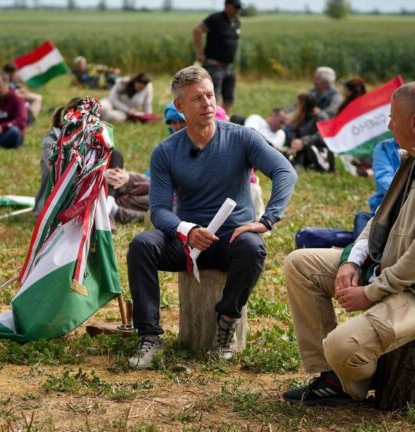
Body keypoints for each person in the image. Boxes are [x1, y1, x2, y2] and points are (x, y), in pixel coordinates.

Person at [282, 81, 415, 406]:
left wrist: (371, 292)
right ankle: (333, 379)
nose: (389, 125)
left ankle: (352, 380)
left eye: (393, 118)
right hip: (397, 268)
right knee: (300, 265)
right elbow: (381, 217)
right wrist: (352, 261)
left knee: (342, 347)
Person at [126, 66, 297, 369]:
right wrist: (187, 230)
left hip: (231, 239)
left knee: (253, 247)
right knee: (142, 245)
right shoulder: (165, 152)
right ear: (179, 106)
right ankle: (149, 336)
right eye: (197, 98)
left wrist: (267, 219)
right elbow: (160, 210)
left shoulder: (243, 138)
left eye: (210, 95)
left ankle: (227, 322)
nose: (207, 103)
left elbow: (285, 172)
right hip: (187, 242)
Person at [192, 0, 242, 114]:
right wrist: (200, 53)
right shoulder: (215, 19)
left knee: (229, 98)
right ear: (227, 6)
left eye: (239, 8)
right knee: (213, 97)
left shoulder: (236, 22)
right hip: (214, 66)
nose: (238, 10)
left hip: (229, 66)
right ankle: (212, 120)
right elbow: (197, 31)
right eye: (235, 7)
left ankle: (223, 119)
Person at [286, 92, 329, 166]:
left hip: (313, 145)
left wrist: (303, 141)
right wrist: (293, 140)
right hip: (298, 145)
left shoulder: (320, 117)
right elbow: (292, 130)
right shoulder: (298, 116)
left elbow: (321, 135)